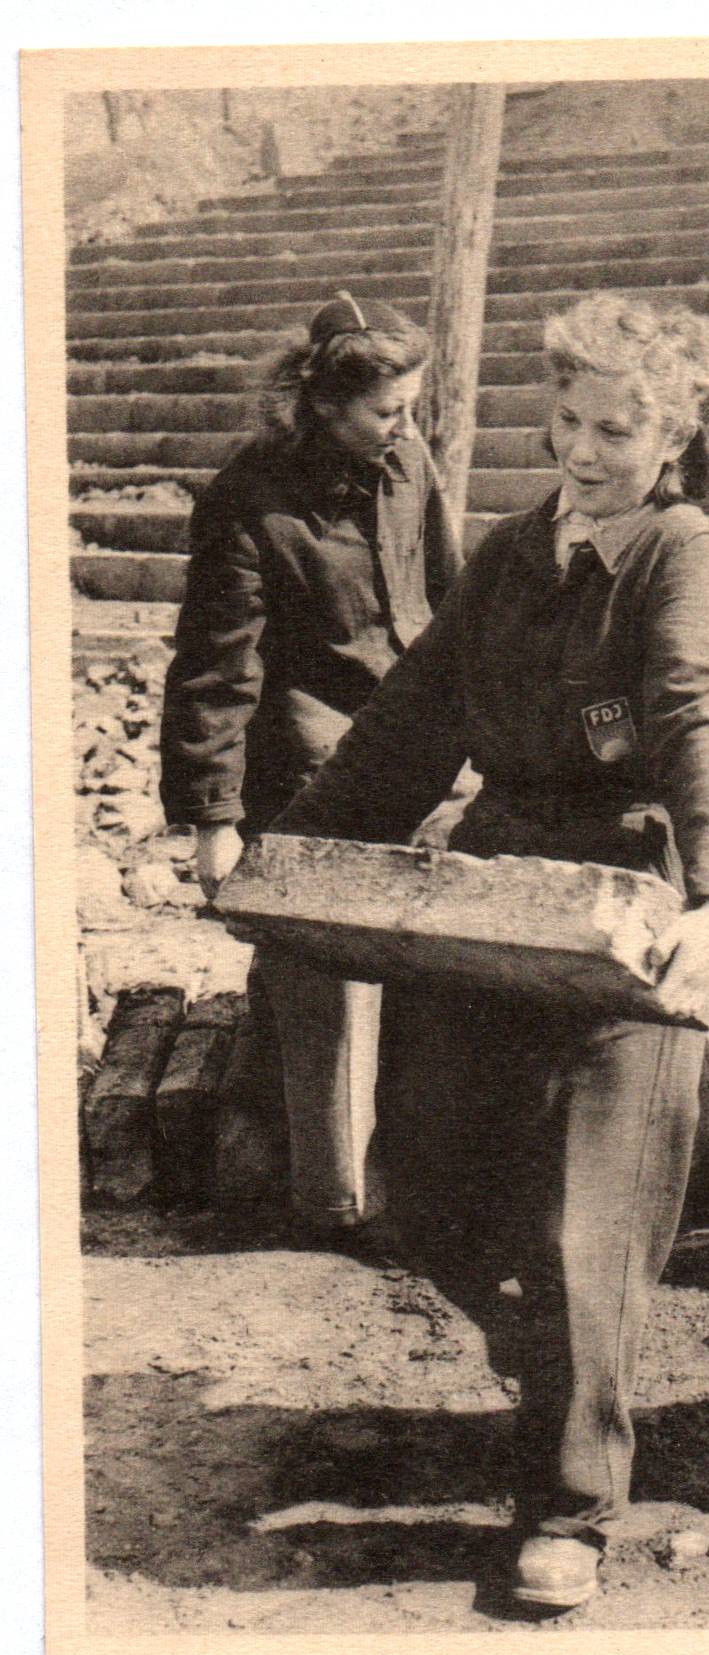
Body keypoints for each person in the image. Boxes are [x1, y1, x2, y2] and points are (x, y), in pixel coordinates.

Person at [267, 291, 709, 1609]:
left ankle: (571, 1505)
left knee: (585, 1226)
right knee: (423, 1190)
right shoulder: (510, 553)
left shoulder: (680, 557)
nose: (585, 448)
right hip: (497, 900)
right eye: (567, 418)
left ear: (674, 438)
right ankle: (557, 1360)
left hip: (636, 919)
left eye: (618, 427)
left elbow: (704, 719)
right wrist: (288, 864)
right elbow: (410, 726)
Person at [159, 292, 462, 1222]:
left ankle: (422, 1169)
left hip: (419, 742)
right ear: (322, 404)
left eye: (412, 406)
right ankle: (328, 1203)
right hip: (312, 766)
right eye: (387, 410)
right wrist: (213, 819)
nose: (407, 425)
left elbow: (449, 599)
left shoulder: (408, 461)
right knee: (320, 973)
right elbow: (216, 670)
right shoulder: (249, 500)